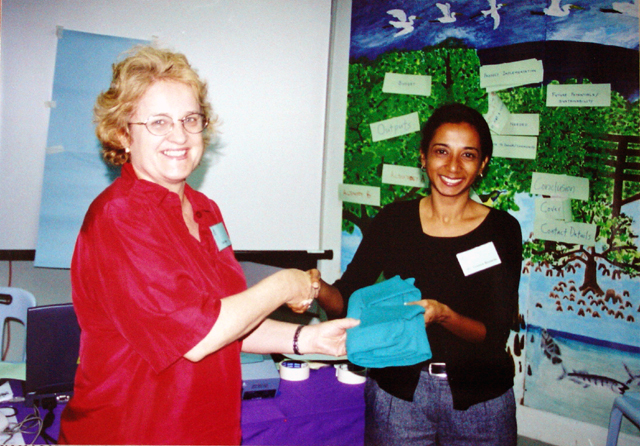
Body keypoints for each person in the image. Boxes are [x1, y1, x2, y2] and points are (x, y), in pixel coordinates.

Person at [58, 45, 358, 445]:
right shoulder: (121, 216)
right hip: (133, 433)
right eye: (159, 122)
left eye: (190, 119)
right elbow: (199, 338)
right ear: (122, 134)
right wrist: (287, 283)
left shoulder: (204, 210)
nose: (179, 136)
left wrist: (306, 340)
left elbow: (225, 321)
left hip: (207, 430)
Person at [317, 103, 522, 446]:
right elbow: (345, 299)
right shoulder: (393, 221)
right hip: (398, 394)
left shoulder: (502, 229)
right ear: (423, 157)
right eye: (441, 151)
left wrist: (443, 315)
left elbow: (494, 333)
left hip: (481, 397)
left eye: (468, 155)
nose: (453, 166)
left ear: (483, 164)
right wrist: (314, 287)